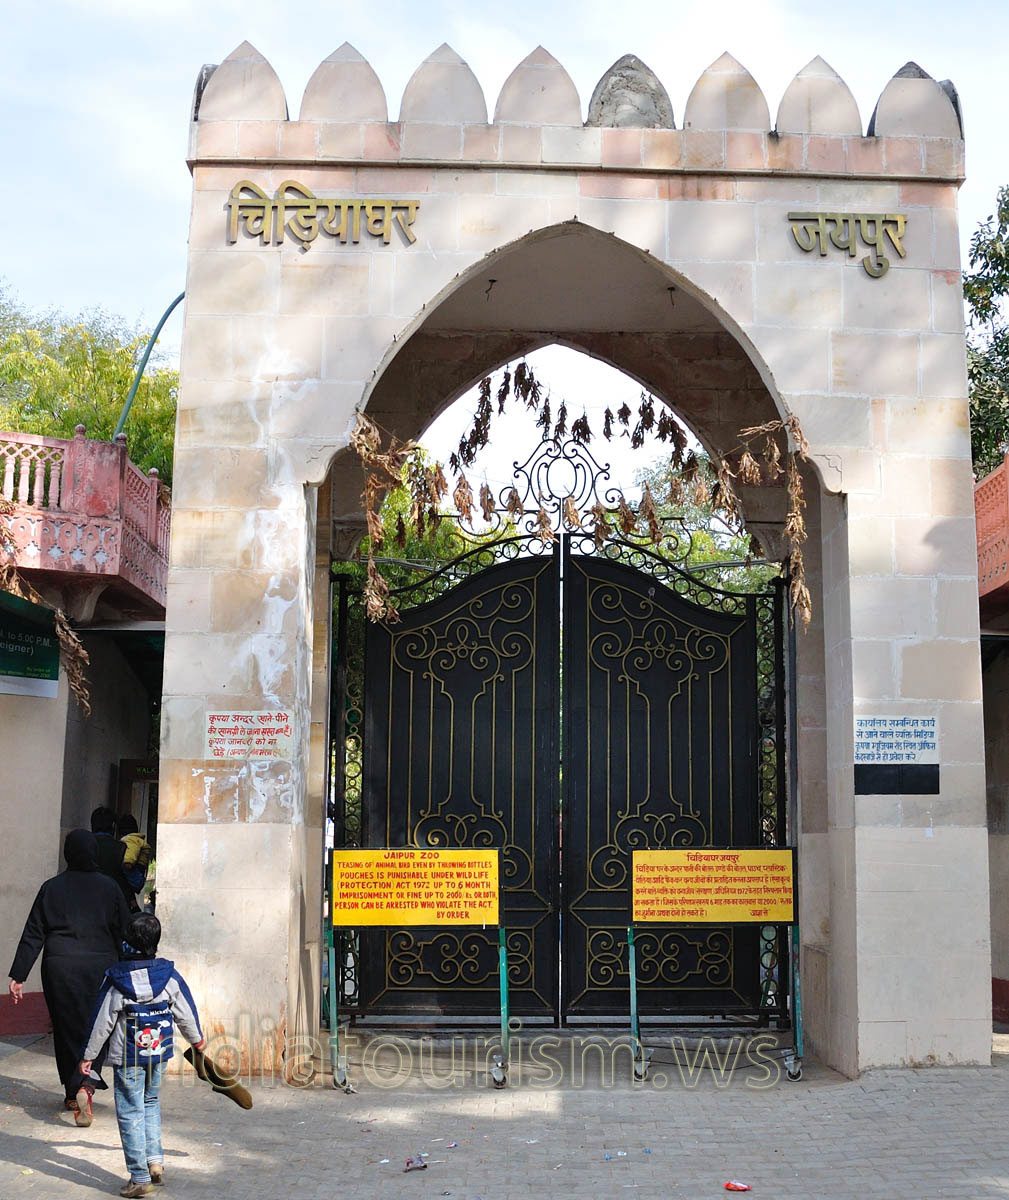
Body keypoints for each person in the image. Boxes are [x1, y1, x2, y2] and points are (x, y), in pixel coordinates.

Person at [7, 829, 131, 1125]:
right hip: (101, 968)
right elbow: (125, 931)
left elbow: (34, 933)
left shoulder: (51, 888)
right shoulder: (110, 888)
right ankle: (87, 1085)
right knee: (100, 1027)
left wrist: (18, 974)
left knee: (66, 1030)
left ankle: (72, 1090)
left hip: (59, 967)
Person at [80, 913, 206, 1199]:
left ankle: (139, 1177)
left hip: (128, 1058)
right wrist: (196, 1040)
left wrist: (88, 1055)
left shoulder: (116, 980)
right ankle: (155, 1161)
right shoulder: (169, 977)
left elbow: (102, 1021)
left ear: (127, 942)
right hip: (159, 1054)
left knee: (129, 1111)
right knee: (150, 1102)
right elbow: (185, 1010)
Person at [91, 806, 136, 908]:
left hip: (87, 905)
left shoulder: (83, 845)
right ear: (113, 826)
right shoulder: (121, 848)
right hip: (114, 907)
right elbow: (135, 882)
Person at [116, 813, 152, 900]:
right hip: (138, 873)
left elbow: (128, 863)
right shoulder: (136, 839)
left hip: (134, 875)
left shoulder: (130, 840)